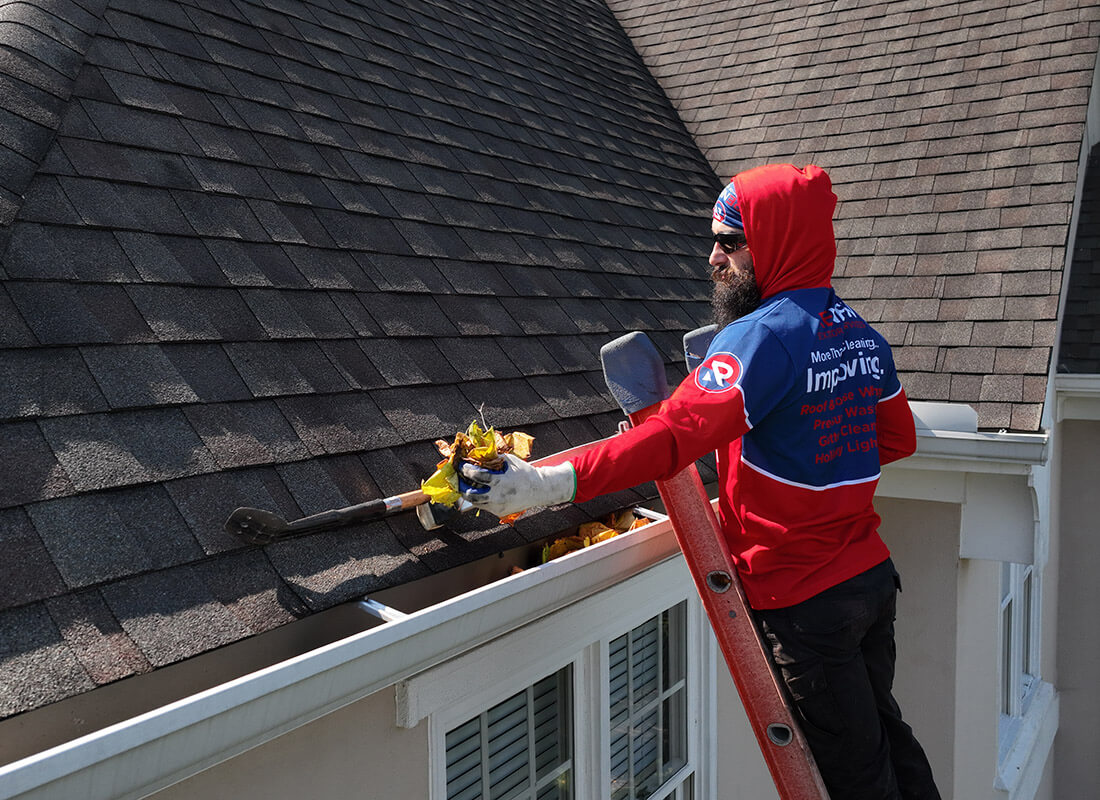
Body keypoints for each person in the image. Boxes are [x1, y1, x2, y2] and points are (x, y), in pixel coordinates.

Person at [460, 163, 941, 799]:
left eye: (730, 241)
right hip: (869, 582)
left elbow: (669, 440)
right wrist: (807, 446)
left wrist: (547, 483)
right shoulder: (858, 332)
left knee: (855, 781)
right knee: (886, 736)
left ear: (774, 243)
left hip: (804, 600)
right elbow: (895, 438)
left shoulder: (762, 338)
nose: (713, 257)